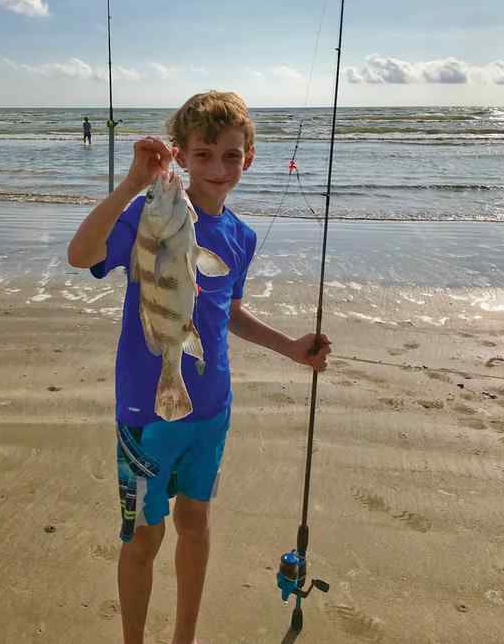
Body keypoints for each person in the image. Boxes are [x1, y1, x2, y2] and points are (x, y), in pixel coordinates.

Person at [67, 91, 331, 644]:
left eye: (230, 156)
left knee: (196, 526)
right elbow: (81, 253)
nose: (218, 168)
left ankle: (184, 639)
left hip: (210, 410)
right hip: (146, 413)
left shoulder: (241, 235)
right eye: (204, 154)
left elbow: (226, 311)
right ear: (182, 158)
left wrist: (289, 347)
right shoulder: (148, 215)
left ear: (248, 160)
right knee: (143, 537)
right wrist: (132, 185)